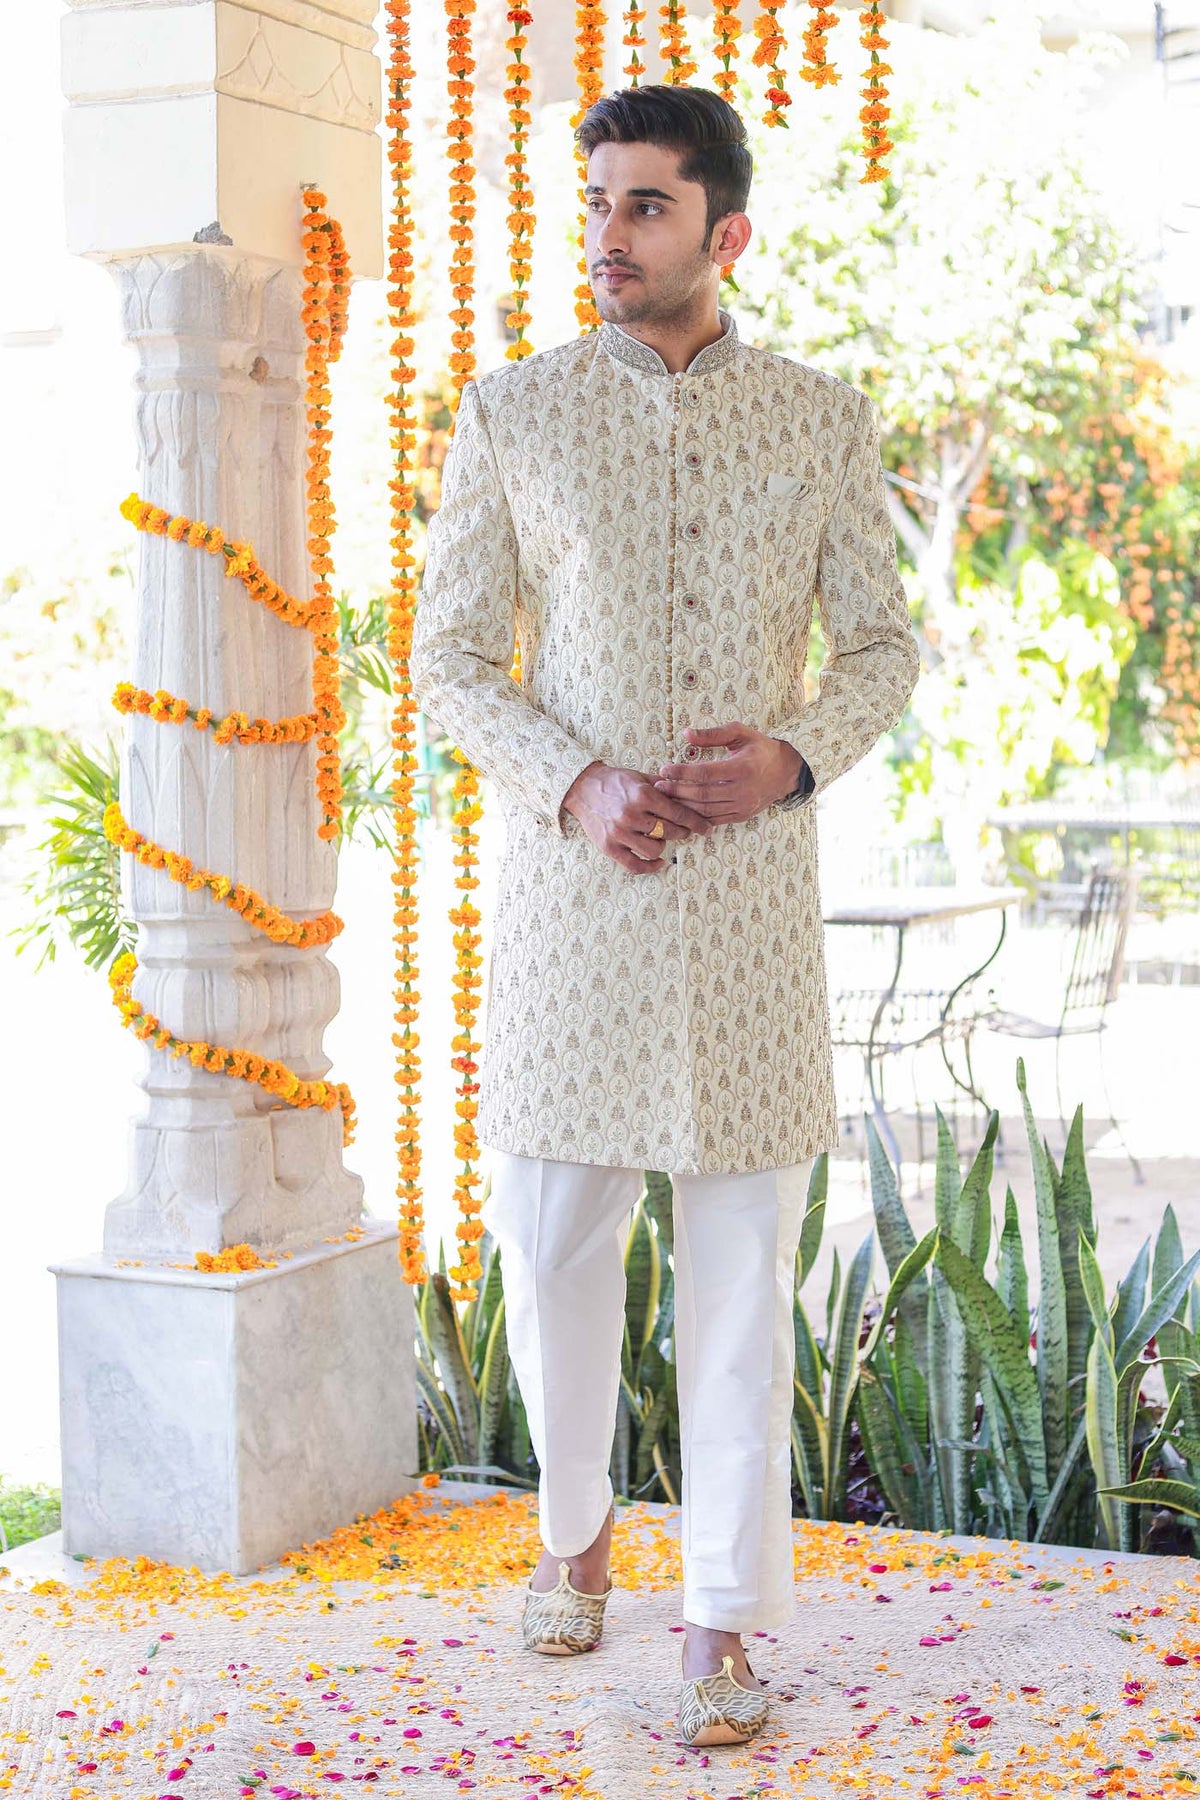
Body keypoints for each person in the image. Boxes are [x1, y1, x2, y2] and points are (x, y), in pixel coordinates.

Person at [409, 82, 920, 1749]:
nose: (609, 235)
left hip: (750, 913)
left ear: (726, 231)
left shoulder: (820, 419)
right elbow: (450, 661)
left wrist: (792, 756)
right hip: (578, 910)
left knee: (740, 1283)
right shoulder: (516, 413)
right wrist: (574, 785)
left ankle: (719, 1620)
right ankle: (574, 1532)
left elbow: (883, 647)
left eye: (645, 206)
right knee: (555, 1250)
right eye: (599, 202)